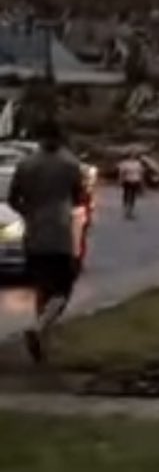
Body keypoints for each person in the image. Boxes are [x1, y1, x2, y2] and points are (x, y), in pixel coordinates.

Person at [9, 120, 88, 364]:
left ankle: (43, 341)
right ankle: (40, 328)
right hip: (60, 231)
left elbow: (14, 198)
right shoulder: (70, 164)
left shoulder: (26, 164)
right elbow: (79, 197)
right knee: (63, 287)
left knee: (42, 286)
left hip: (34, 232)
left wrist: (29, 212)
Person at [118, 150, 145, 218]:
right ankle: (125, 210)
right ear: (128, 156)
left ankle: (130, 211)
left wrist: (141, 181)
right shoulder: (125, 163)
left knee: (133, 196)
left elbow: (141, 172)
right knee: (126, 195)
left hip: (135, 180)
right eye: (131, 155)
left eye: (134, 155)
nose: (132, 157)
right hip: (127, 180)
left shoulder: (138, 163)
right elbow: (121, 172)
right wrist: (120, 180)